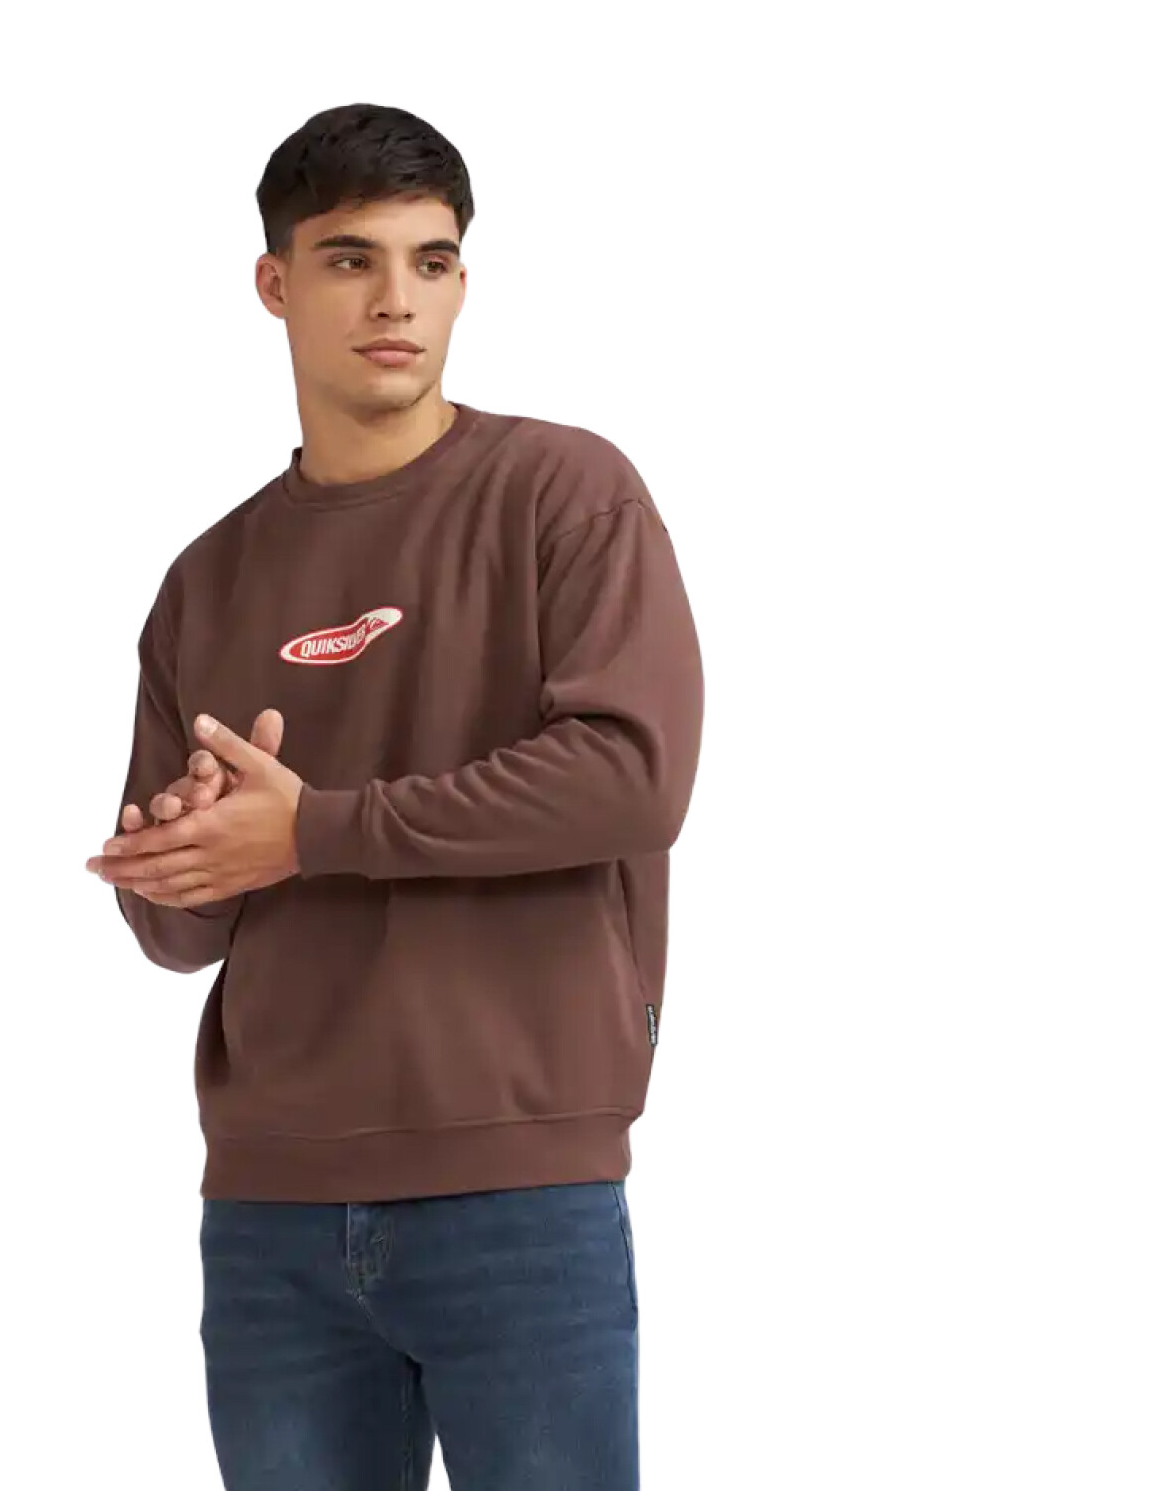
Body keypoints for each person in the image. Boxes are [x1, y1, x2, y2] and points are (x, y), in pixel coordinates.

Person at [85, 101, 705, 1491]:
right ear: (275, 284)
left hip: (518, 1184)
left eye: (432, 262)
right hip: (271, 1206)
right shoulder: (209, 579)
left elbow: (632, 776)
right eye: (352, 259)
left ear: (463, 283)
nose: (396, 301)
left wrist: (311, 828)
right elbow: (180, 935)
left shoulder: (564, 492)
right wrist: (181, 861)